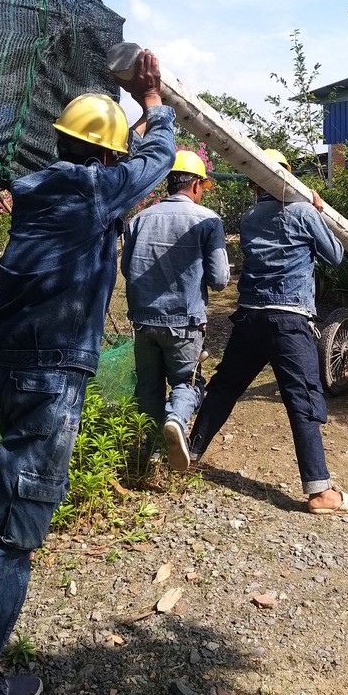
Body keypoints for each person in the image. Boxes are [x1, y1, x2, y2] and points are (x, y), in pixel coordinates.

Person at [0, 50, 176, 695]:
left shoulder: (47, 189)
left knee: (11, 513)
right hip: (47, 376)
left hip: (17, 367)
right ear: (104, 159)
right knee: (9, 528)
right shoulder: (87, 190)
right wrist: (154, 104)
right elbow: (153, 164)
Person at [187, 148, 348, 516]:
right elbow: (335, 255)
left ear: (256, 182)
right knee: (301, 397)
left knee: (225, 387)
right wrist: (320, 215)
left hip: (251, 317)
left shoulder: (251, 216)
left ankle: (189, 454)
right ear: (289, 178)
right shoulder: (303, 212)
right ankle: (320, 491)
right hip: (289, 319)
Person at [120, 150, 230, 471]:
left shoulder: (138, 220)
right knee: (188, 383)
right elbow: (221, 279)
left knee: (148, 387)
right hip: (184, 323)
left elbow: (128, 270)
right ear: (195, 184)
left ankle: (152, 452)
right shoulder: (208, 220)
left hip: (142, 320)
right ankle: (177, 422)